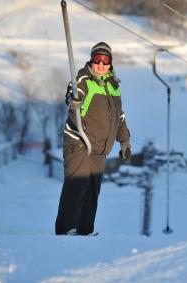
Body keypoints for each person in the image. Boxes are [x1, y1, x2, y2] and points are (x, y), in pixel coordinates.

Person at [55, 42, 131, 236]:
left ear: (110, 63)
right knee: (77, 185)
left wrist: (124, 142)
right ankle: (66, 230)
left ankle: (85, 230)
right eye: (97, 59)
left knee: (91, 192)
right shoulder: (82, 79)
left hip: (99, 148)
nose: (101, 64)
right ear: (91, 60)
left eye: (105, 60)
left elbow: (119, 116)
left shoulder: (113, 86)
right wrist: (73, 102)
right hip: (79, 141)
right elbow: (73, 94)